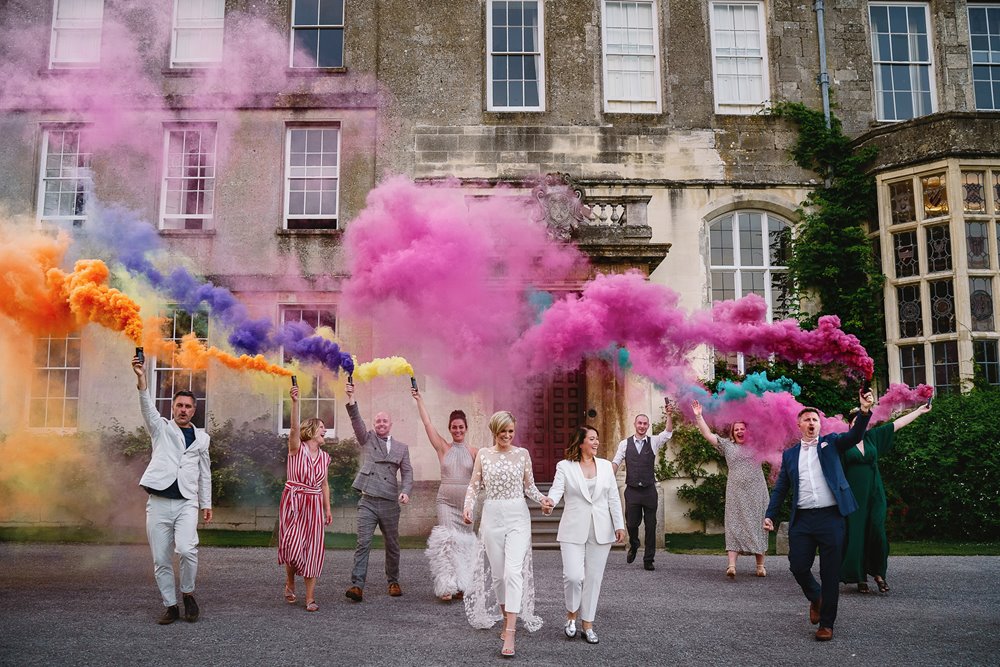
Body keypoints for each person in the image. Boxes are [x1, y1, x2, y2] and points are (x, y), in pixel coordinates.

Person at [763, 389, 874, 642]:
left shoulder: (832, 443)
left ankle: (826, 624)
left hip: (831, 518)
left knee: (830, 573)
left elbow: (856, 434)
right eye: (807, 420)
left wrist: (864, 411)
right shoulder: (790, 455)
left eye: (815, 419)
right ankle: (816, 596)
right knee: (798, 566)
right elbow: (781, 487)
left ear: (819, 424)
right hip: (802, 520)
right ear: (799, 425)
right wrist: (770, 514)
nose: (812, 423)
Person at [462, 410, 552, 658]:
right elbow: (474, 485)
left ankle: (510, 630)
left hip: (517, 517)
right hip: (492, 516)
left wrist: (542, 498)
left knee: (513, 572)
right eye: (503, 431)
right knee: (499, 576)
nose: (507, 436)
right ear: (495, 431)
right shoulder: (483, 454)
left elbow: (529, 486)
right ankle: (505, 617)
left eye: (511, 431)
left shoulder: (522, 454)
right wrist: (468, 506)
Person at [132, 354, 212, 625]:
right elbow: (146, 407)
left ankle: (188, 593)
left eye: (188, 406)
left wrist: (206, 503)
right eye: (179, 405)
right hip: (158, 503)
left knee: (188, 550)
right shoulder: (161, 428)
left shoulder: (202, 439)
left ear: (194, 410)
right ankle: (170, 605)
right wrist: (141, 377)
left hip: (186, 502)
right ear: (172, 407)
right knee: (161, 559)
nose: (183, 410)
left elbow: (205, 473)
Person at [544, 426, 625, 645]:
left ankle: (587, 624)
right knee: (573, 576)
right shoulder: (565, 467)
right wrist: (550, 502)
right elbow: (556, 490)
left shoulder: (607, 467)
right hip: (572, 528)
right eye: (592, 439)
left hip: (601, 529)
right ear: (581, 443)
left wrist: (619, 524)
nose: (596, 442)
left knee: (593, 578)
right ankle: (571, 615)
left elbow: (613, 498)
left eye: (597, 438)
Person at [841, 401, 932, 593]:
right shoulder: (842, 442)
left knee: (878, 532)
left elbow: (897, 425)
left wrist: (918, 411)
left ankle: (878, 573)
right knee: (856, 534)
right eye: (855, 422)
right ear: (849, 424)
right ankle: (859, 578)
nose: (859, 425)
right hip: (853, 495)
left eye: (862, 422)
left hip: (874, 493)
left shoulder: (872, 437)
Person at [344, 380, 413, 603]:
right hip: (368, 499)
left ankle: (393, 581)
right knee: (363, 542)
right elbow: (356, 422)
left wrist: (406, 490)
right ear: (374, 425)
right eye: (377, 421)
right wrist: (351, 398)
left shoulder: (402, 448)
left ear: (391, 424)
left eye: (384, 421)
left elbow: (408, 472)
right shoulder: (368, 439)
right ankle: (357, 585)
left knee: (392, 544)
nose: (381, 423)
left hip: (390, 502)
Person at [412, 387, 477, 601]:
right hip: (446, 503)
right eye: (454, 427)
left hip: (466, 505)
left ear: (466, 429)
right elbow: (427, 423)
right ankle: (446, 587)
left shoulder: (475, 452)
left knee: (463, 545)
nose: (457, 430)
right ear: (449, 429)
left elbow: (482, 478)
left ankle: (461, 584)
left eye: (460, 427)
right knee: (447, 543)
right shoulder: (443, 448)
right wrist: (419, 399)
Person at [691, 400, 769, 578]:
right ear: (732, 433)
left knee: (759, 525)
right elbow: (708, 435)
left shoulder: (757, 444)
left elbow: (768, 427)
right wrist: (698, 416)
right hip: (736, 492)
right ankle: (731, 566)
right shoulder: (727, 445)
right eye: (736, 429)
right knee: (734, 525)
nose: (740, 431)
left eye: (743, 428)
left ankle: (760, 566)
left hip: (757, 491)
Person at [277, 383, 332, 612]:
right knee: (292, 545)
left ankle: (309, 598)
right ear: (310, 430)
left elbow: (324, 484)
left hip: (314, 504)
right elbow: (292, 430)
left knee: (313, 549)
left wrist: (327, 509)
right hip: (293, 501)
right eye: (321, 427)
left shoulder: (325, 457)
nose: (325, 431)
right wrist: (295, 403)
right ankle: (290, 581)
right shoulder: (295, 449)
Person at [611, 405, 673, 570]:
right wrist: (608, 479)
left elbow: (667, 433)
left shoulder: (653, 442)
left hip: (649, 490)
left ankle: (648, 560)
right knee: (631, 524)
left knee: (651, 525)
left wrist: (668, 415)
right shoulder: (625, 444)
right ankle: (634, 542)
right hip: (631, 491)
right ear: (635, 424)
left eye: (645, 423)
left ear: (648, 426)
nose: (642, 426)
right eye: (640, 423)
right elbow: (616, 462)